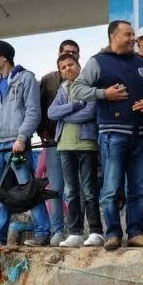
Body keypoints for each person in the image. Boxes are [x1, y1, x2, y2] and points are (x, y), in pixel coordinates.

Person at [72, 20, 143, 251]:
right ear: (113, 36)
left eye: (133, 35)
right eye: (128, 34)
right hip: (113, 135)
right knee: (111, 188)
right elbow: (77, 89)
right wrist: (104, 93)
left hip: (140, 134)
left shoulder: (140, 63)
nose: (133, 39)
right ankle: (111, 233)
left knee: (138, 188)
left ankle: (136, 233)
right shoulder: (98, 62)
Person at [0, 39, 51, 248]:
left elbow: (33, 112)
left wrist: (22, 138)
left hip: (17, 145)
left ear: (4, 56)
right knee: (0, 193)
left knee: (29, 189)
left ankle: (43, 233)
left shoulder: (26, 78)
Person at [48, 53, 103, 248]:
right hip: (64, 146)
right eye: (63, 67)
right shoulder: (62, 90)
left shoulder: (88, 86)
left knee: (89, 190)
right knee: (70, 191)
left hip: (86, 144)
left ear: (79, 65)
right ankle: (75, 233)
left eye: (71, 64)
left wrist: (66, 115)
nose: (68, 69)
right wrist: (74, 105)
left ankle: (96, 231)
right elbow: (51, 113)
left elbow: (90, 112)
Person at [38, 40, 79, 246]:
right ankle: (57, 231)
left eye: (73, 53)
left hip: (79, 141)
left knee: (78, 186)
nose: (69, 56)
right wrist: (42, 132)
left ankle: (77, 230)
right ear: (59, 55)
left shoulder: (85, 80)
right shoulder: (47, 80)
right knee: (56, 187)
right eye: (66, 53)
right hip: (54, 141)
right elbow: (41, 109)